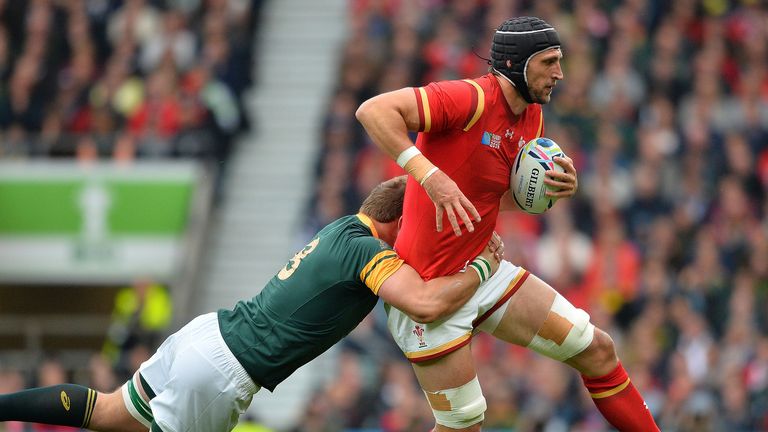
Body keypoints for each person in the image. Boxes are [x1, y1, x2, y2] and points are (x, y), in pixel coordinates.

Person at [0, 176, 504, 432]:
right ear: (397, 223)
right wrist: (481, 266)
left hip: (205, 335)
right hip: (225, 372)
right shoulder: (364, 248)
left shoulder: (338, 231)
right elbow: (423, 303)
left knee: (109, 413)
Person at [356, 17, 660, 431]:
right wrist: (429, 175)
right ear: (517, 63)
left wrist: (551, 189)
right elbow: (372, 111)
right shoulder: (469, 98)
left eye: (561, 61)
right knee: (464, 425)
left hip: (484, 273)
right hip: (428, 292)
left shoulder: (531, 118)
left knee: (599, 351)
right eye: (550, 62)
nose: (560, 73)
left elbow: (487, 197)